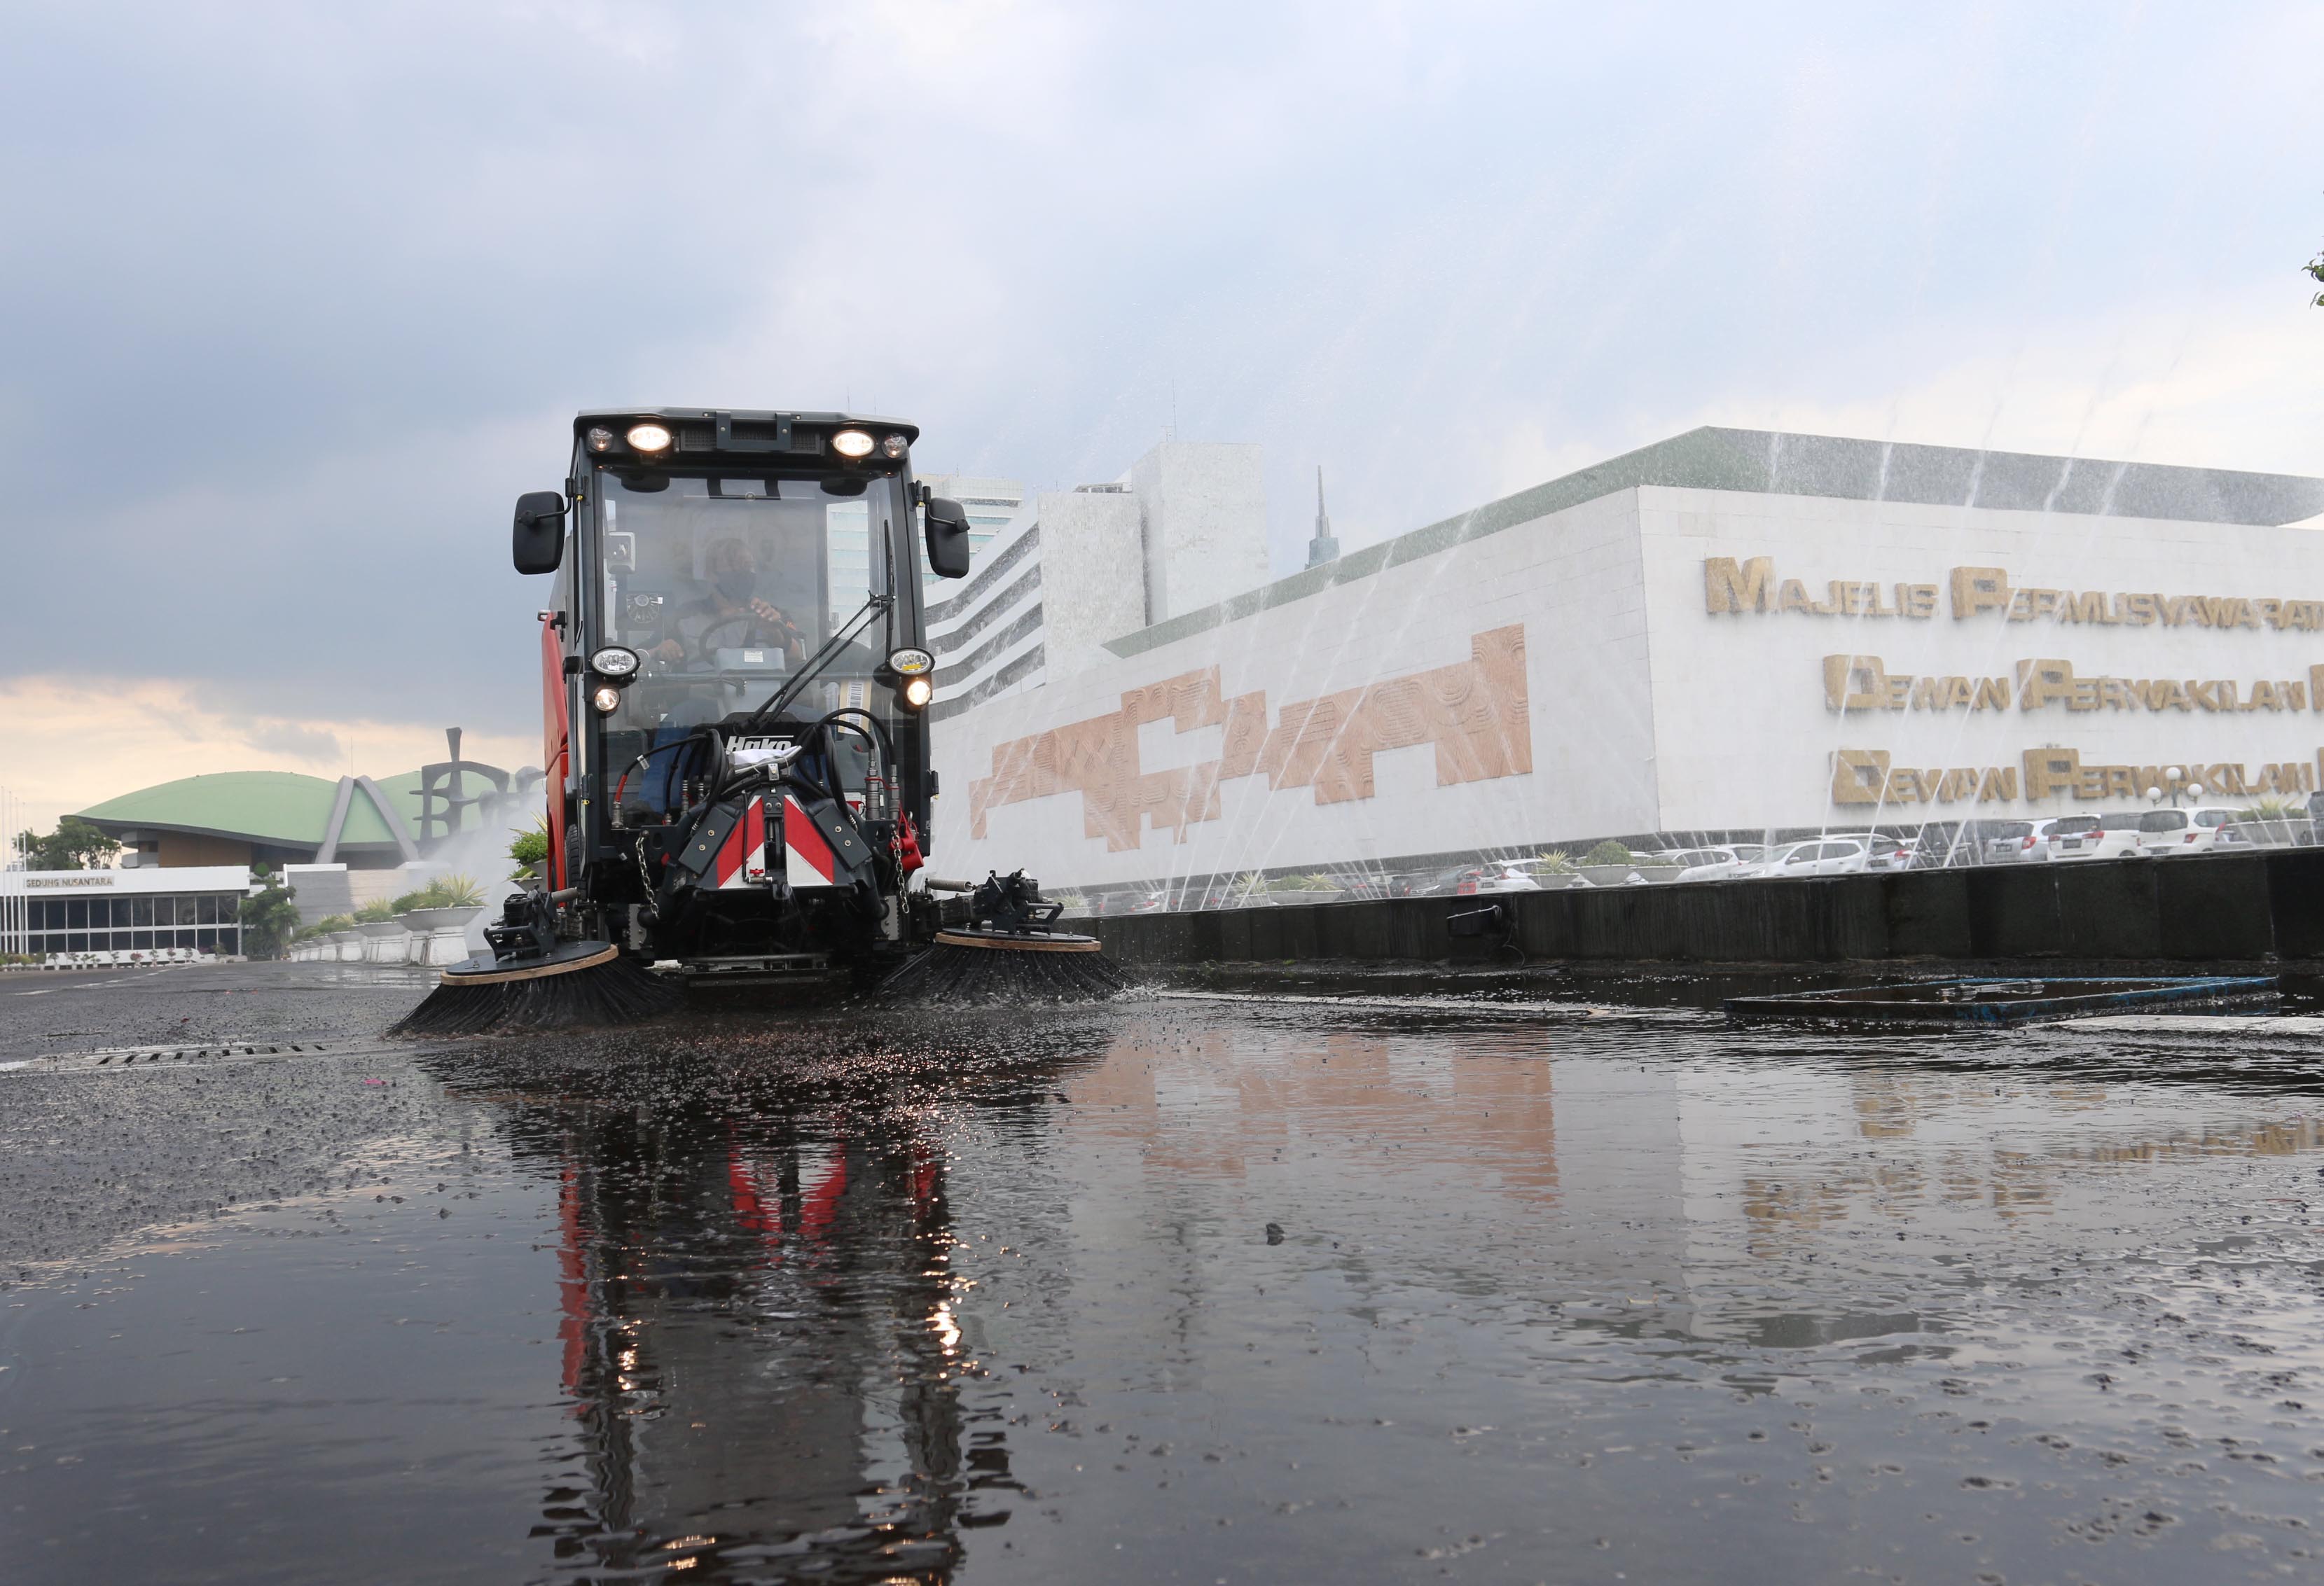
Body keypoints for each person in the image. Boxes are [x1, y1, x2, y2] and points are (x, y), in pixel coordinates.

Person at [653, 538, 807, 670]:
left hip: (769, 702)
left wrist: (774, 631)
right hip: (704, 702)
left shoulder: (770, 614)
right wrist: (662, 649)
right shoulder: (686, 615)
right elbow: (646, 653)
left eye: (749, 566)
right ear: (711, 574)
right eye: (735, 565)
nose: (743, 571)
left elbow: (797, 657)